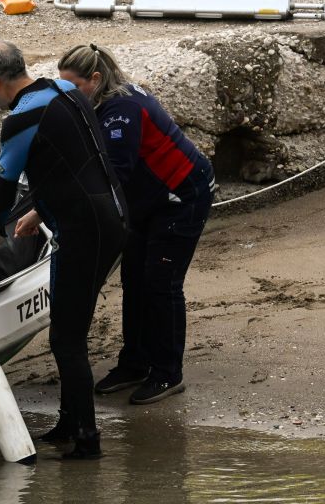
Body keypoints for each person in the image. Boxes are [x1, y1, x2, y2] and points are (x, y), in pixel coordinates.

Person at [0, 40, 127, 459]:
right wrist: (41, 211)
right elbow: (74, 160)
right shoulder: (65, 91)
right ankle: (68, 422)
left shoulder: (23, 117)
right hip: (108, 217)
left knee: (67, 338)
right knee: (66, 328)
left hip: (86, 231)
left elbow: (2, 188)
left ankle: (87, 441)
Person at [57, 43, 215, 405]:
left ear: (95, 79)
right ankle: (135, 363)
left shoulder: (121, 111)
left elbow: (116, 175)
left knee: (161, 283)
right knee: (134, 278)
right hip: (150, 200)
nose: (67, 95)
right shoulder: (105, 100)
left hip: (182, 197)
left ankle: (167, 372)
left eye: (72, 87)